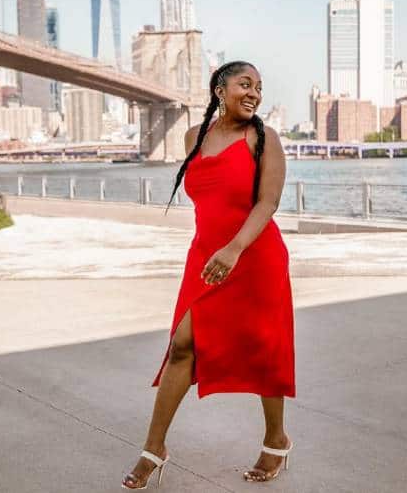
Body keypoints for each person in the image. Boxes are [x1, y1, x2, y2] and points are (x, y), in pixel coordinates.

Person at [122, 60, 296, 489]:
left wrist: (235, 248)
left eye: (259, 86)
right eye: (244, 84)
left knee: (264, 346)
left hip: (254, 256)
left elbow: (267, 204)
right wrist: (218, 249)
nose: (254, 92)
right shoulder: (192, 138)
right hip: (205, 256)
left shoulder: (264, 138)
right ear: (220, 89)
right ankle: (154, 448)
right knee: (182, 343)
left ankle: (276, 439)